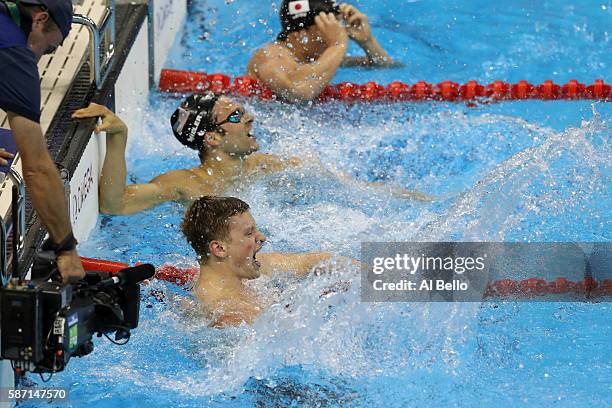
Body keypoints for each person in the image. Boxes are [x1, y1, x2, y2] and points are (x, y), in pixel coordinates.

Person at [72, 93, 428, 215]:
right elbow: (114, 205)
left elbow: (350, 189)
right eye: (236, 116)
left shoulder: (270, 166)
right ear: (211, 138)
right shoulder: (187, 184)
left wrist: (422, 201)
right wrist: (120, 136)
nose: (250, 118)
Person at [0, 0, 84, 282]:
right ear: (39, 19)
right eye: (49, 47)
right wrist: (66, 248)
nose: (43, 56)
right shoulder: (14, 53)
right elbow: (36, 168)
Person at [182, 195, 347, 327]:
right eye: (249, 233)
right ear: (219, 249)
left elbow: (318, 260)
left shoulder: (244, 267)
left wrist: (373, 283)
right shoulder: (228, 316)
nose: (262, 237)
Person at [247, 1, 396, 102]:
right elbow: (298, 91)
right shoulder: (270, 55)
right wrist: (337, 45)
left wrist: (368, 42)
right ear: (301, 33)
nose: (337, 33)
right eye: (328, 30)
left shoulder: (310, 57)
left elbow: (385, 67)